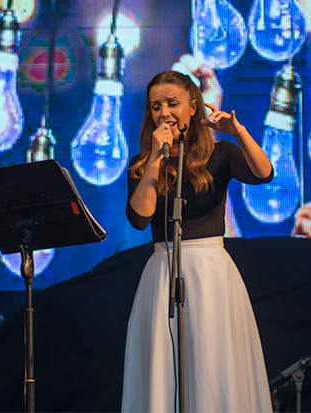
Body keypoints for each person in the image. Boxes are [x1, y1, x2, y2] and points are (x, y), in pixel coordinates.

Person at [121, 70, 274, 411]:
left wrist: (237, 131)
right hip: (163, 268)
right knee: (165, 366)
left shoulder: (220, 155)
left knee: (212, 362)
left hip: (210, 271)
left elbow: (264, 174)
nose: (164, 113)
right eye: (156, 106)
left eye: (172, 104)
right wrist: (156, 161)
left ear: (193, 107)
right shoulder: (142, 164)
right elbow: (139, 217)